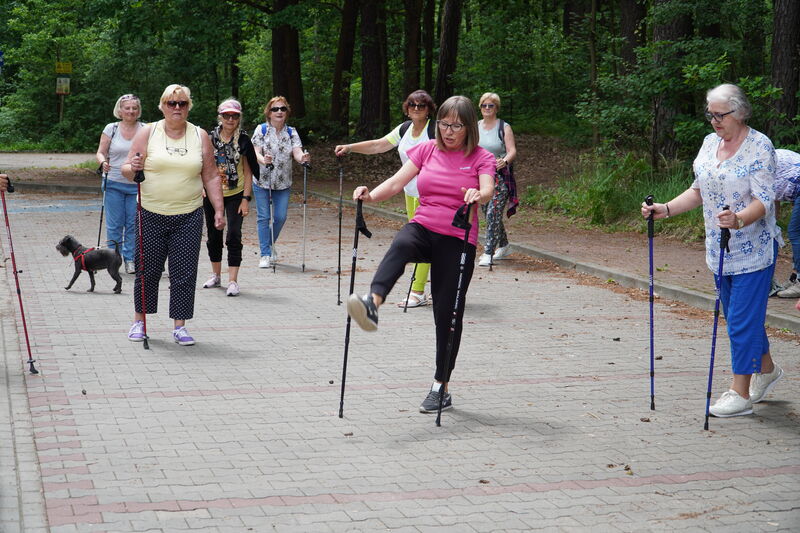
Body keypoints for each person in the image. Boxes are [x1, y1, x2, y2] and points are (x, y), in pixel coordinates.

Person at [641, 84, 783, 418]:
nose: (714, 120)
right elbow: (698, 190)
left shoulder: (760, 146)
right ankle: (768, 370)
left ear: (741, 112)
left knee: (740, 323)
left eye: (720, 114)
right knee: (740, 319)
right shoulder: (709, 144)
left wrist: (738, 219)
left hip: (754, 251)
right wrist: (666, 209)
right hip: (718, 251)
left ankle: (741, 392)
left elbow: (765, 199)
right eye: (710, 114)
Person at [347, 95, 495, 413]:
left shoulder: (481, 157)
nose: (448, 131)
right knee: (402, 242)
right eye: (443, 123)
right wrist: (370, 195)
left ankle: (440, 385)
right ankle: (372, 303)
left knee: (446, 315)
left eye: (455, 125)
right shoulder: (426, 149)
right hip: (425, 226)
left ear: (469, 127)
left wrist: (477, 194)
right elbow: (397, 182)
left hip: (458, 239)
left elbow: (488, 190)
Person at [122, 84, 225, 346]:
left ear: (189, 107)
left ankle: (180, 326)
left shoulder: (199, 135)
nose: (177, 108)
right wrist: (132, 167)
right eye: (171, 103)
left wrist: (219, 209)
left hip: (188, 214)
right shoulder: (148, 131)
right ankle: (139, 321)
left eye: (182, 104)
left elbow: (211, 175)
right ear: (162, 106)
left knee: (184, 271)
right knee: (147, 270)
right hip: (150, 212)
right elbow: (126, 169)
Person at [335, 90, 437, 308]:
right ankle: (436, 285)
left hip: (430, 195)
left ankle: (417, 291)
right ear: (407, 108)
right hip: (410, 192)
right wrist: (350, 148)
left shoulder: (434, 131)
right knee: (426, 241)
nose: (416, 109)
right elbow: (378, 145)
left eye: (421, 106)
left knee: (419, 241)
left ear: (429, 110)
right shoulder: (404, 129)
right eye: (412, 105)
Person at [201, 99, 258, 297]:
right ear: (220, 117)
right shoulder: (209, 138)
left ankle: (233, 280)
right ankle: (216, 275)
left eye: (234, 116)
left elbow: (249, 171)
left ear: (239, 118)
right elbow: (202, 165)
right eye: (227, 115)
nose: (230, 119)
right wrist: (202, 186)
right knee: (213, 235)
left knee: (234, 234)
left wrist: (246, 199)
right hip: (212, 193)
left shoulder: (243, 140)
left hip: (236, 193)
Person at [250, 96, 310, 269]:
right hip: (262, 181)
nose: (279, 112)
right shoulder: (261, 130)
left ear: (287, 112)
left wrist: (303, 158)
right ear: (269, 112)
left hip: (283, 182)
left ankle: (269, 245)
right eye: (275, 109)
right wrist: (264, 160)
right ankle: (265, 254)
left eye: (283, 109)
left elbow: (297, 152)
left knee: (280, 217)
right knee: (264, 217)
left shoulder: (291, 132)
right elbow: (255, 152)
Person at [95, 94, 144, 274]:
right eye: (127, 108)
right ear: (120, 110)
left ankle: (130, 259)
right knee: (115, 225)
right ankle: (112, 259)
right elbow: (100, 152)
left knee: (133, 224)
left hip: (136, 184)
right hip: (113, 181)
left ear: (138, 111)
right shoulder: (111, 128)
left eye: (134, 108)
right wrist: (102, 162)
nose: (131, 111)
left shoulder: (145, 129)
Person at [475, 92, 518, 267]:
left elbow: (512, 151)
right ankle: (505, 246)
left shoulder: (504, 127)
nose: (487, 108)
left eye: (490, 106)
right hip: (482, 177)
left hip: (500, 178)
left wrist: (504, 161)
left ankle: (488, 252)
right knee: (488, 213)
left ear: (496, 108)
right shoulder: (475, 126)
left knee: (493, 212)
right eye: (484, 105)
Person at [775, 148, 800, 298]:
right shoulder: (771, 153)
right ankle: (795, 277)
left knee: (795, 232)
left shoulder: (761, 162)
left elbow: (772, 203)